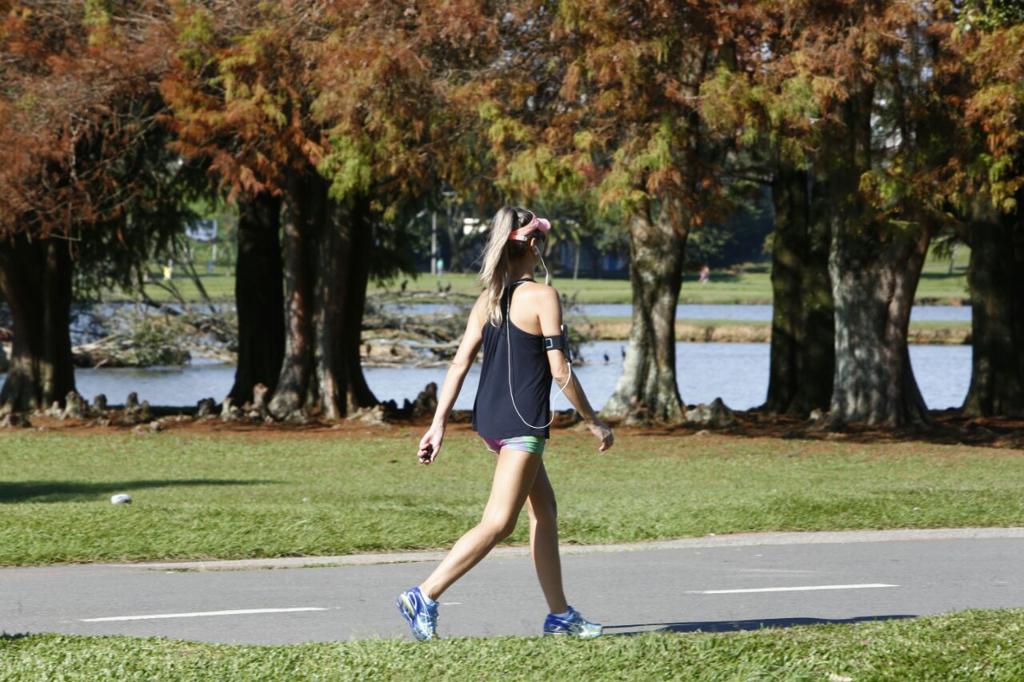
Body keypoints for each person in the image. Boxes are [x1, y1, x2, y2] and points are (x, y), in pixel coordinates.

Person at [396, 206, 615, 641]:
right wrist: (594, 421)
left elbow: (459, 364)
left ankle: (559, 615)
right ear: (533, 246)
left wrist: (438, 424)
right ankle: (425, 593)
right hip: (522, 425)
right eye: (543, 240)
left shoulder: (488, 299)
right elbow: (560, 371)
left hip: (491, 422)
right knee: (499, 523)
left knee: (544, 512)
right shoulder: (543, 296)